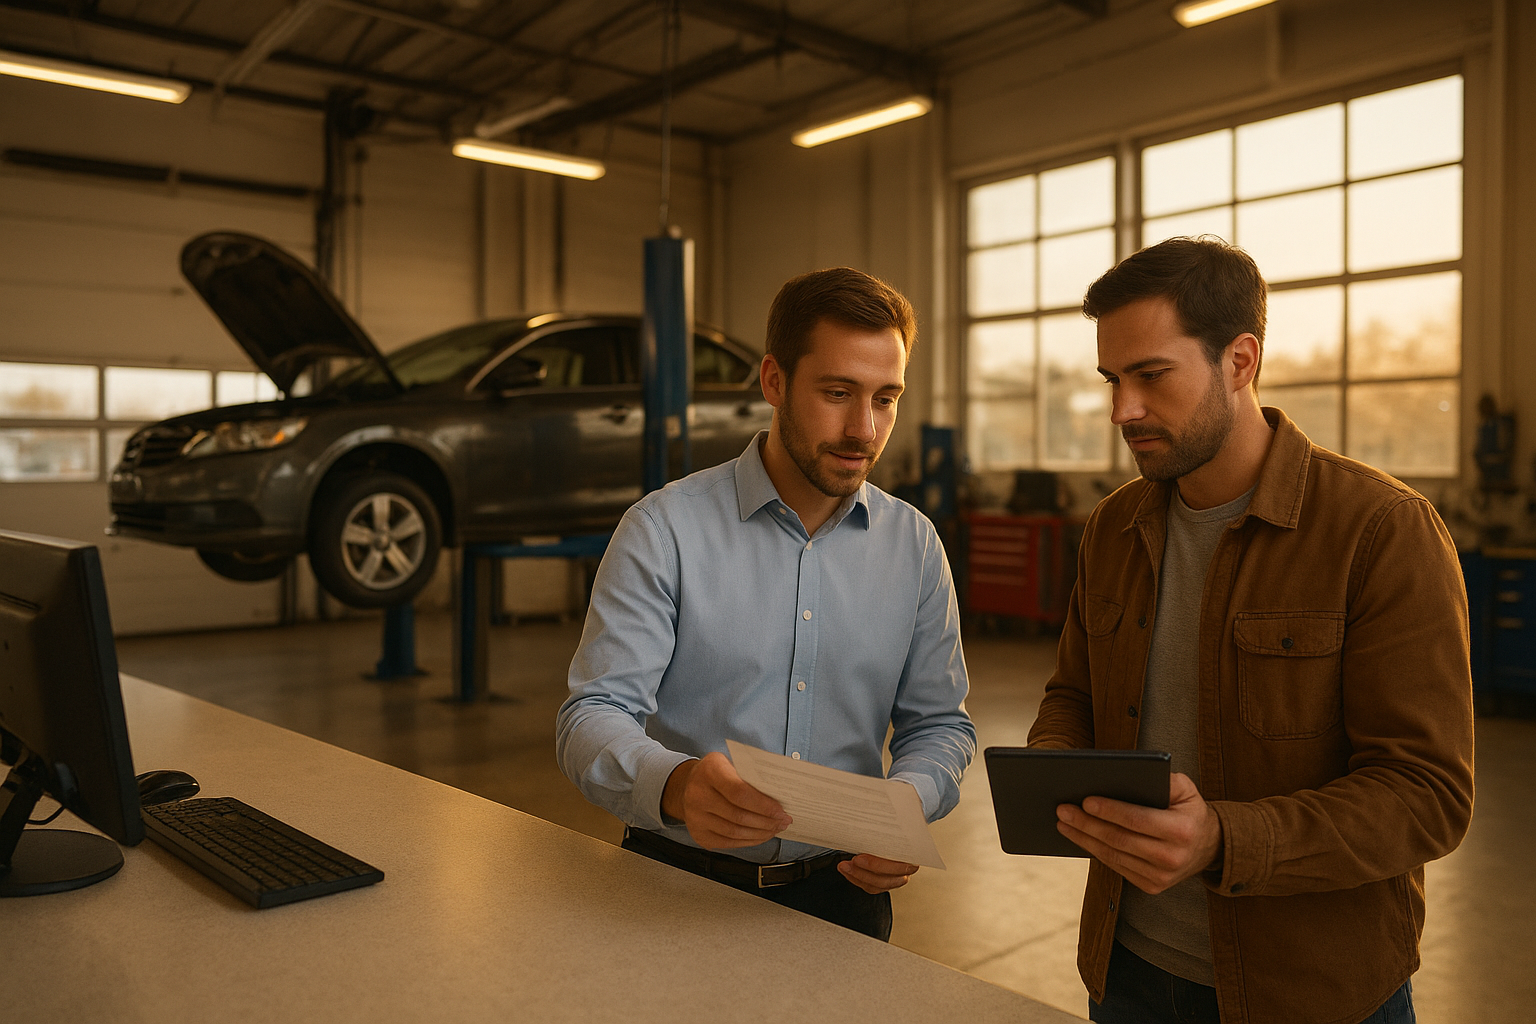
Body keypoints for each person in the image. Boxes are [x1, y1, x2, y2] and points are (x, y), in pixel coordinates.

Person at [1029, 236, 1474, 1024]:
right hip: (1127, 973)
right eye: (1112, 379)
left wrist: (1225, 841)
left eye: (1151, 376)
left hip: (1310, 994)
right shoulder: (1115, 527)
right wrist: (1054, 775)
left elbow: (1427, 795)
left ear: (1240, 361)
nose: (1121, 410)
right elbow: (1074, 692)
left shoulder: (1380, 532)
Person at [557, 267, 976, 941]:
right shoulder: (665, 530)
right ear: (774, 381)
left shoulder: (915, 547)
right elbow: (591, 715)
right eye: (837, 393)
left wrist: (908, 805)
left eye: (886, 398)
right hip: (669, 892)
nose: (863, 429)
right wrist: (674, 785)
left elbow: (940, 726)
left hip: (844, 907)